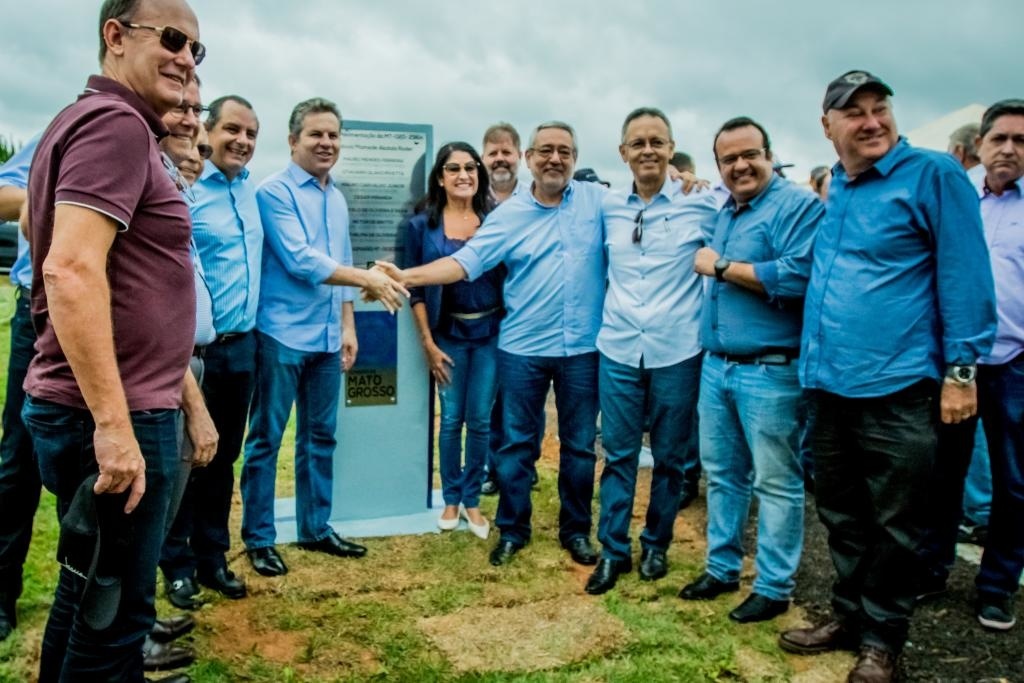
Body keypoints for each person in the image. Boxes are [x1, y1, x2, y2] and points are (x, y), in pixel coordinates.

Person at [779, 70, 996, 683]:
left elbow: (966, 275)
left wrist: (961, 371)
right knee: (842, 516)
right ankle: (849, 618)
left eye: (881, 108)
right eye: (855, 112)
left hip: (898, 389)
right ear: (828, 127)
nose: (872, 121)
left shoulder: (933, 175)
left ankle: (882, 642)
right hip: (828, 386)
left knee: (896, 525)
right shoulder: (841, 189)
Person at [21, 0, 207, 679]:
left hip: (104, 405)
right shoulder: (117, 124)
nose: (186, 57)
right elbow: (69, 270)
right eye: (173, 38)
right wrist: (113, 425)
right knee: (117, 622)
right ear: (115, 35)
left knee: (87, 593)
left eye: (196, 49)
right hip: (113, 412)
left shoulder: (95, 121)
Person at [377, 121, 606, 568]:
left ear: (575, 158)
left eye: (564, 151)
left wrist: (684, 181)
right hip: (521, 348)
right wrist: (406, 275)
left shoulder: (598, 202)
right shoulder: (507, 216)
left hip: (580, 348)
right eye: (545, 150)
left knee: (579, 446)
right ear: (530, 159)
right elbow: (465, 262)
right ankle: (513, 530)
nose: (555, 159)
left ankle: (576, 531)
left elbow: (647, 200)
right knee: (515, 444)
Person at [241, 97, 406, 577]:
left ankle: (315, 528)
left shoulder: (336, 197)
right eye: (316, 134)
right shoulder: (273, 193)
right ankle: (259, 538)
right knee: (267, 439)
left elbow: (343, 255)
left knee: (320, 436)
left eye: (333, 135)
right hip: (281, 335)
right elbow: (300, 261)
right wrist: (367, 279)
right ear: (293, 140)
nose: (326, 143)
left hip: (328, 337)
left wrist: (348, 324)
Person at [679, 117, 822, 623]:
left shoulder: (797, 206)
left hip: (770, 371)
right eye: (729, 159)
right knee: (723, 476)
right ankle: (721, 569)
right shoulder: (726, 210)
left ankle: (774, 587)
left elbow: (798, 276)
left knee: (776, 483)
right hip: (718, 367)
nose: (740, 165)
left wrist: (721, 267)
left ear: (769, 155)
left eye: (749, 155)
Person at [584, 107, 718, 595]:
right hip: (619, 347)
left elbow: (738, 219)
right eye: (638, 143)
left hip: (677, 350)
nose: (648, 151)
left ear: (671, 149)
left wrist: (699, 182)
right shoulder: (606, 206)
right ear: (623, 153)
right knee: (618, 454)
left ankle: (657, 544)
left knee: (670, 457)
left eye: (657, 142)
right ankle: (613, 551)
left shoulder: (700, 203)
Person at [161, 94, 263, 608]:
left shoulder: (252, 193)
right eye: (232, 130)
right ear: (209, 130)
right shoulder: (187, 184)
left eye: (251, 134)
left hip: (241, 348)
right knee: (186, 458)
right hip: (193, 353)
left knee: (223, 458)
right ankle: (175, 565)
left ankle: (212, 556)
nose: (241, 141)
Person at [927, 100, 1024, 631]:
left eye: (1021, 141)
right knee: (942, 473)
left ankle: (996, 586)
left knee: (1014, 482)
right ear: (979, 145)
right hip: (954, 362)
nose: (1008, 149)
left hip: (1015, 364)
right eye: (999, 138)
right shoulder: (957, 196)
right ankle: (931, 567)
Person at [402, 142, 502, 538]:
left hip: (490, 335)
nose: (464, 175)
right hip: (447, 335)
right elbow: (415, 290)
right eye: (454, 168)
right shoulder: (420, 226)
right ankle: (450, 499)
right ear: (440, 178)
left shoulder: (496, 221)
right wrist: (428, 343)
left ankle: (473, 501)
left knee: (479, 420)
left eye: (470, 167)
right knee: (451, 419)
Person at [0, 133, 40, 644]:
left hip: (117, 317)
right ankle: (2, 591)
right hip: (43, 312)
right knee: (20, 458)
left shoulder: (157, 144)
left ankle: (100, 605)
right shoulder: (64, 130)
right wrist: (51, 198)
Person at [478, 122, 529, 497]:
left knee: (523, 398)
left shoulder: (534, 198)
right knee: (488, 399)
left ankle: (525, 464)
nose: (500, 159)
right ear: (483, 158)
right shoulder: (471, 199)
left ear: (520, 156)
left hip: (523, 315)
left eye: (506, 152)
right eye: (493, 153)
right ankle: (493, 468)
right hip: (483, 315)